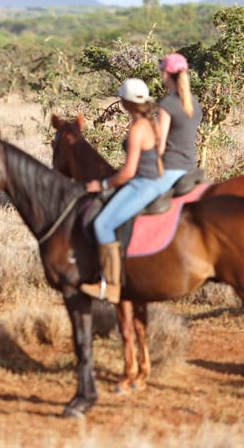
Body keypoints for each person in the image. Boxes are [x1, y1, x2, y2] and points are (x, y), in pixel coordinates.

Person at [82, 78, 164, 304]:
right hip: (152, 181)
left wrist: (103, 185)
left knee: (102, 224)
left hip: (143, 184)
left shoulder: (138, 127)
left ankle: (111, 285)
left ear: (126, 103)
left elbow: (128, 172)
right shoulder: (151, 122)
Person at [155, 53, 202, 193]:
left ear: (166, 74)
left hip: (170, 168)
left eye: (162, 73)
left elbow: (159, 146)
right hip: (191, 168)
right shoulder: (195, 104)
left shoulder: (167, 104)